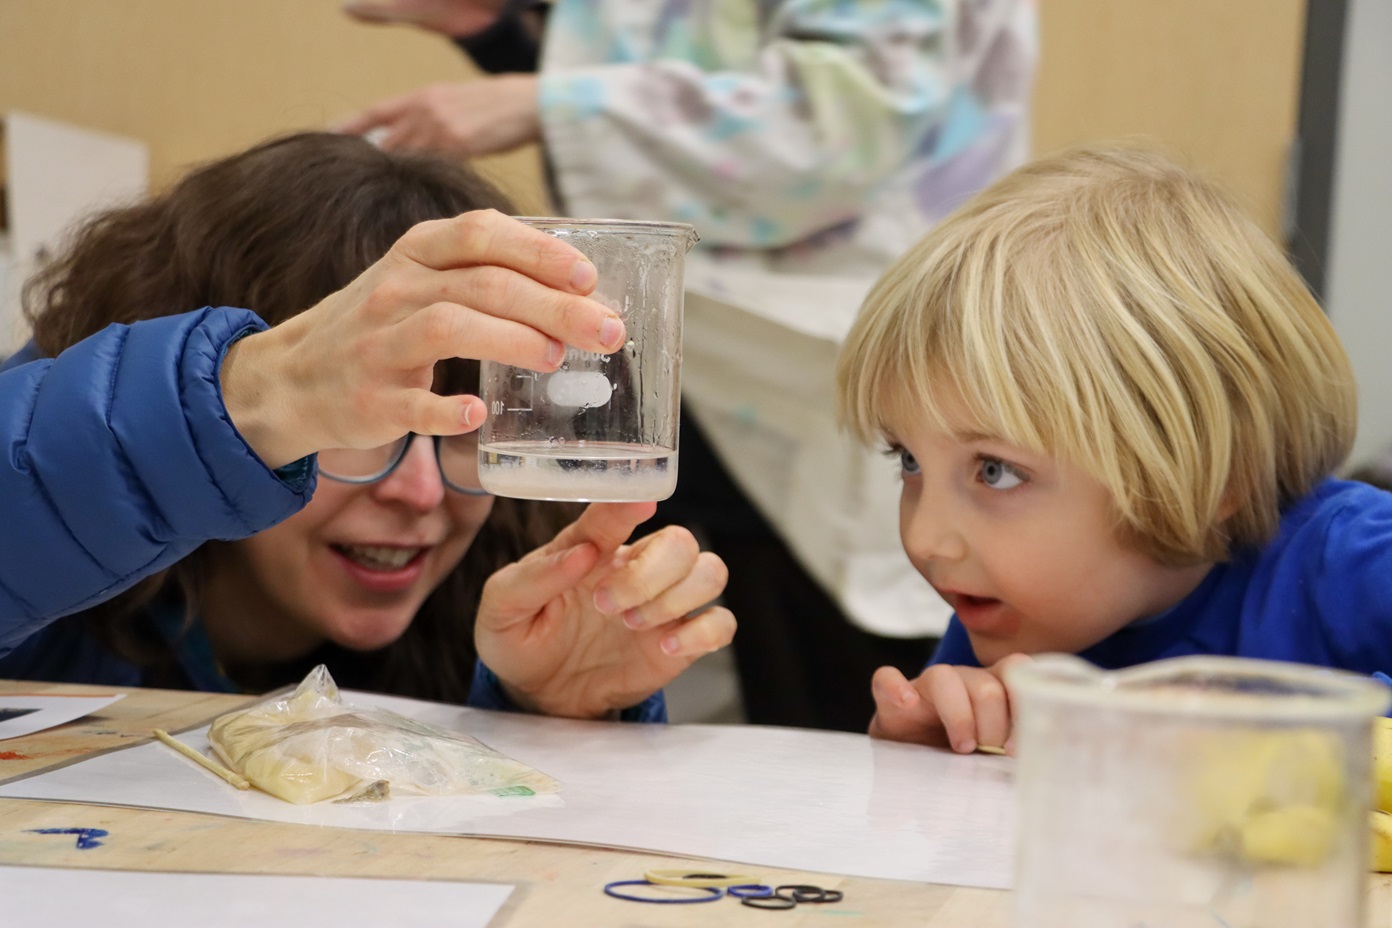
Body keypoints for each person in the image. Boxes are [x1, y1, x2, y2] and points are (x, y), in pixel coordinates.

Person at [337, 0, 1038, 729]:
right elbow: (703, 48)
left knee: (826, 721)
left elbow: (844, 120)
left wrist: (549, 101)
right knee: (658, 675)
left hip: (811, 354)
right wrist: (514, 36)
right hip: (696, 366)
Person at [0, 132, 734, 722]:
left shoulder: (494, 613)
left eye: (466, 425)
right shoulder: (52, 629)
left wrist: (542, 715)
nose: (419, 493)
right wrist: (238, 394)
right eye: (361, 421)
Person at [834, 143, 1392, 754]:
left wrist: (1264, 734)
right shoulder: (1010, 618)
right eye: (909, 460)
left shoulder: (1356, 563)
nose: (925, 539)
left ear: (1213, 479)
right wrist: (933, 756)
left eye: (995, 472)